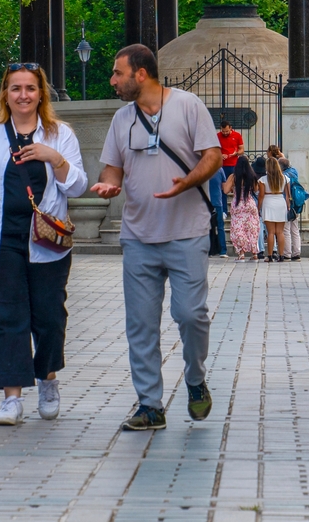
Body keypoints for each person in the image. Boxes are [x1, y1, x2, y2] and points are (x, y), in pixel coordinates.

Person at [91, 43, 223, 432]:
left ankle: (195, 380)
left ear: (141, 74)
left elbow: (212, 156)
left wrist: (188, 182)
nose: (113, 81)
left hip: (187, 233)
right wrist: (108, 187)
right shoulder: (121, 120)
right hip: (138, 236)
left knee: (190, 314)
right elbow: (112, 170)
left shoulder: (187, 105)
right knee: (141, 325)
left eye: (118, 73)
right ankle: (150, 405)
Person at [0, 62, 85, 426]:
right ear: (5, 95)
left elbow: (77, 186)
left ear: (41, 93)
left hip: (46, 241)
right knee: (5, 315)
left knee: (49, 316)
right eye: (16, 88)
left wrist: (53, 158)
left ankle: (47, 378)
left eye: (30, 88)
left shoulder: (60, 134)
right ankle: (12, 397)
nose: (23, 95)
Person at [214, 119, 244, 256]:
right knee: (223, 188)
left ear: (231, 128)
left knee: (235, 187)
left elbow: (241, 149)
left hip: (233, 163)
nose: (224, 133)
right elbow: (213, 149)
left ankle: (236, 206)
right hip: (222, 165)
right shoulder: (217, 136)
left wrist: (234, 153)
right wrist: (221, 155)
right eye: (223, 131)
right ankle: (225, 210)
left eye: (227, 131)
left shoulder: (237, 135)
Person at [261, 146, 293, 261]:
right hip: (280, 202)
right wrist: (288, 205)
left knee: (270, 232)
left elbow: (261, 195)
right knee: (280, 232)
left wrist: (259, 207)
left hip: (268, 201)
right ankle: (281, 255)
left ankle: (269, 256)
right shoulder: (285, 178)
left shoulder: (263, 180)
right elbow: (287, 194)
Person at [228, 155, 262, 262]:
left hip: (238, 204)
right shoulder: (252, 176)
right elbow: (256, 189)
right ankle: (254, 253)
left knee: (238, 228)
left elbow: (225, 190)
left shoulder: (233, 177)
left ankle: (241, 254)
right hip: (250, 203)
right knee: (252, 228)